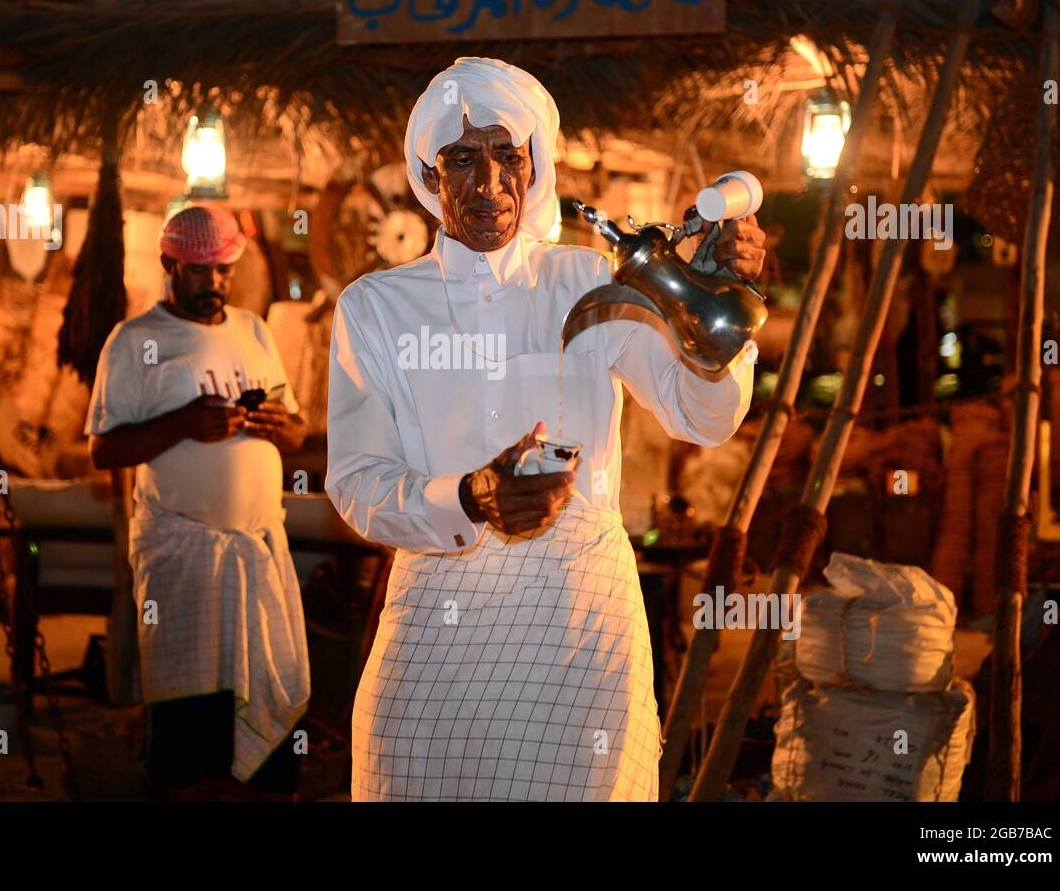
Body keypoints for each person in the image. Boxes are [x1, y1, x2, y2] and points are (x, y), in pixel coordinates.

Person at [325, 58, 765, 801]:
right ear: (430, 179)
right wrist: (467, 497)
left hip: (578, 625)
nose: (487, 182)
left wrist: (723, 301)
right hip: (437, 614)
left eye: (507, 156)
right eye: (461, 158)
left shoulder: (590, 282)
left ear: (536, 168)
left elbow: (702, 416)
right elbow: (357, 482)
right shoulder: (375, 307)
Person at [85, 205, 310, 800]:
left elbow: (296, 433)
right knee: (191, 718)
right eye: (197, 271)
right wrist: (185, 423)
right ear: (169, 265)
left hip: (258, 552)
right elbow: (104, 450)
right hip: (183, 554)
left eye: (222, 271)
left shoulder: (254, 330)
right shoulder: (136, 341)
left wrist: (276, 425)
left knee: (269, 701)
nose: (212, 283)